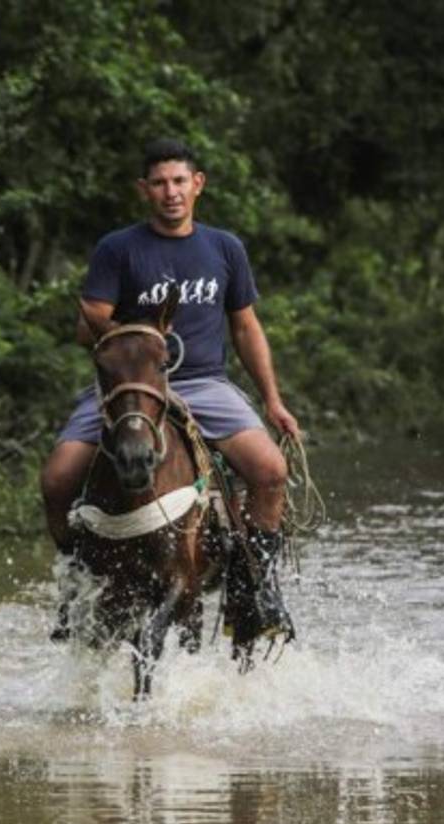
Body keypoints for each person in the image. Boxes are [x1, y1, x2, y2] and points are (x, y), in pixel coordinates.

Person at [40, 138, 301, 644]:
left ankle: (258, 588)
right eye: (159, 183)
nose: (170, 192)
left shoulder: (224, 247)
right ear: (144, 190)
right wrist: (135, 339)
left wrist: (272, 400)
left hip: (203, 382)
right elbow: (85, 324)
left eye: (179, 181)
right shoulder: (118, 248)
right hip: (131, 384)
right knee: (56, 479)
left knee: (271, 471)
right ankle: (75, 584)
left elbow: (246, 327)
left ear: (197, 185)